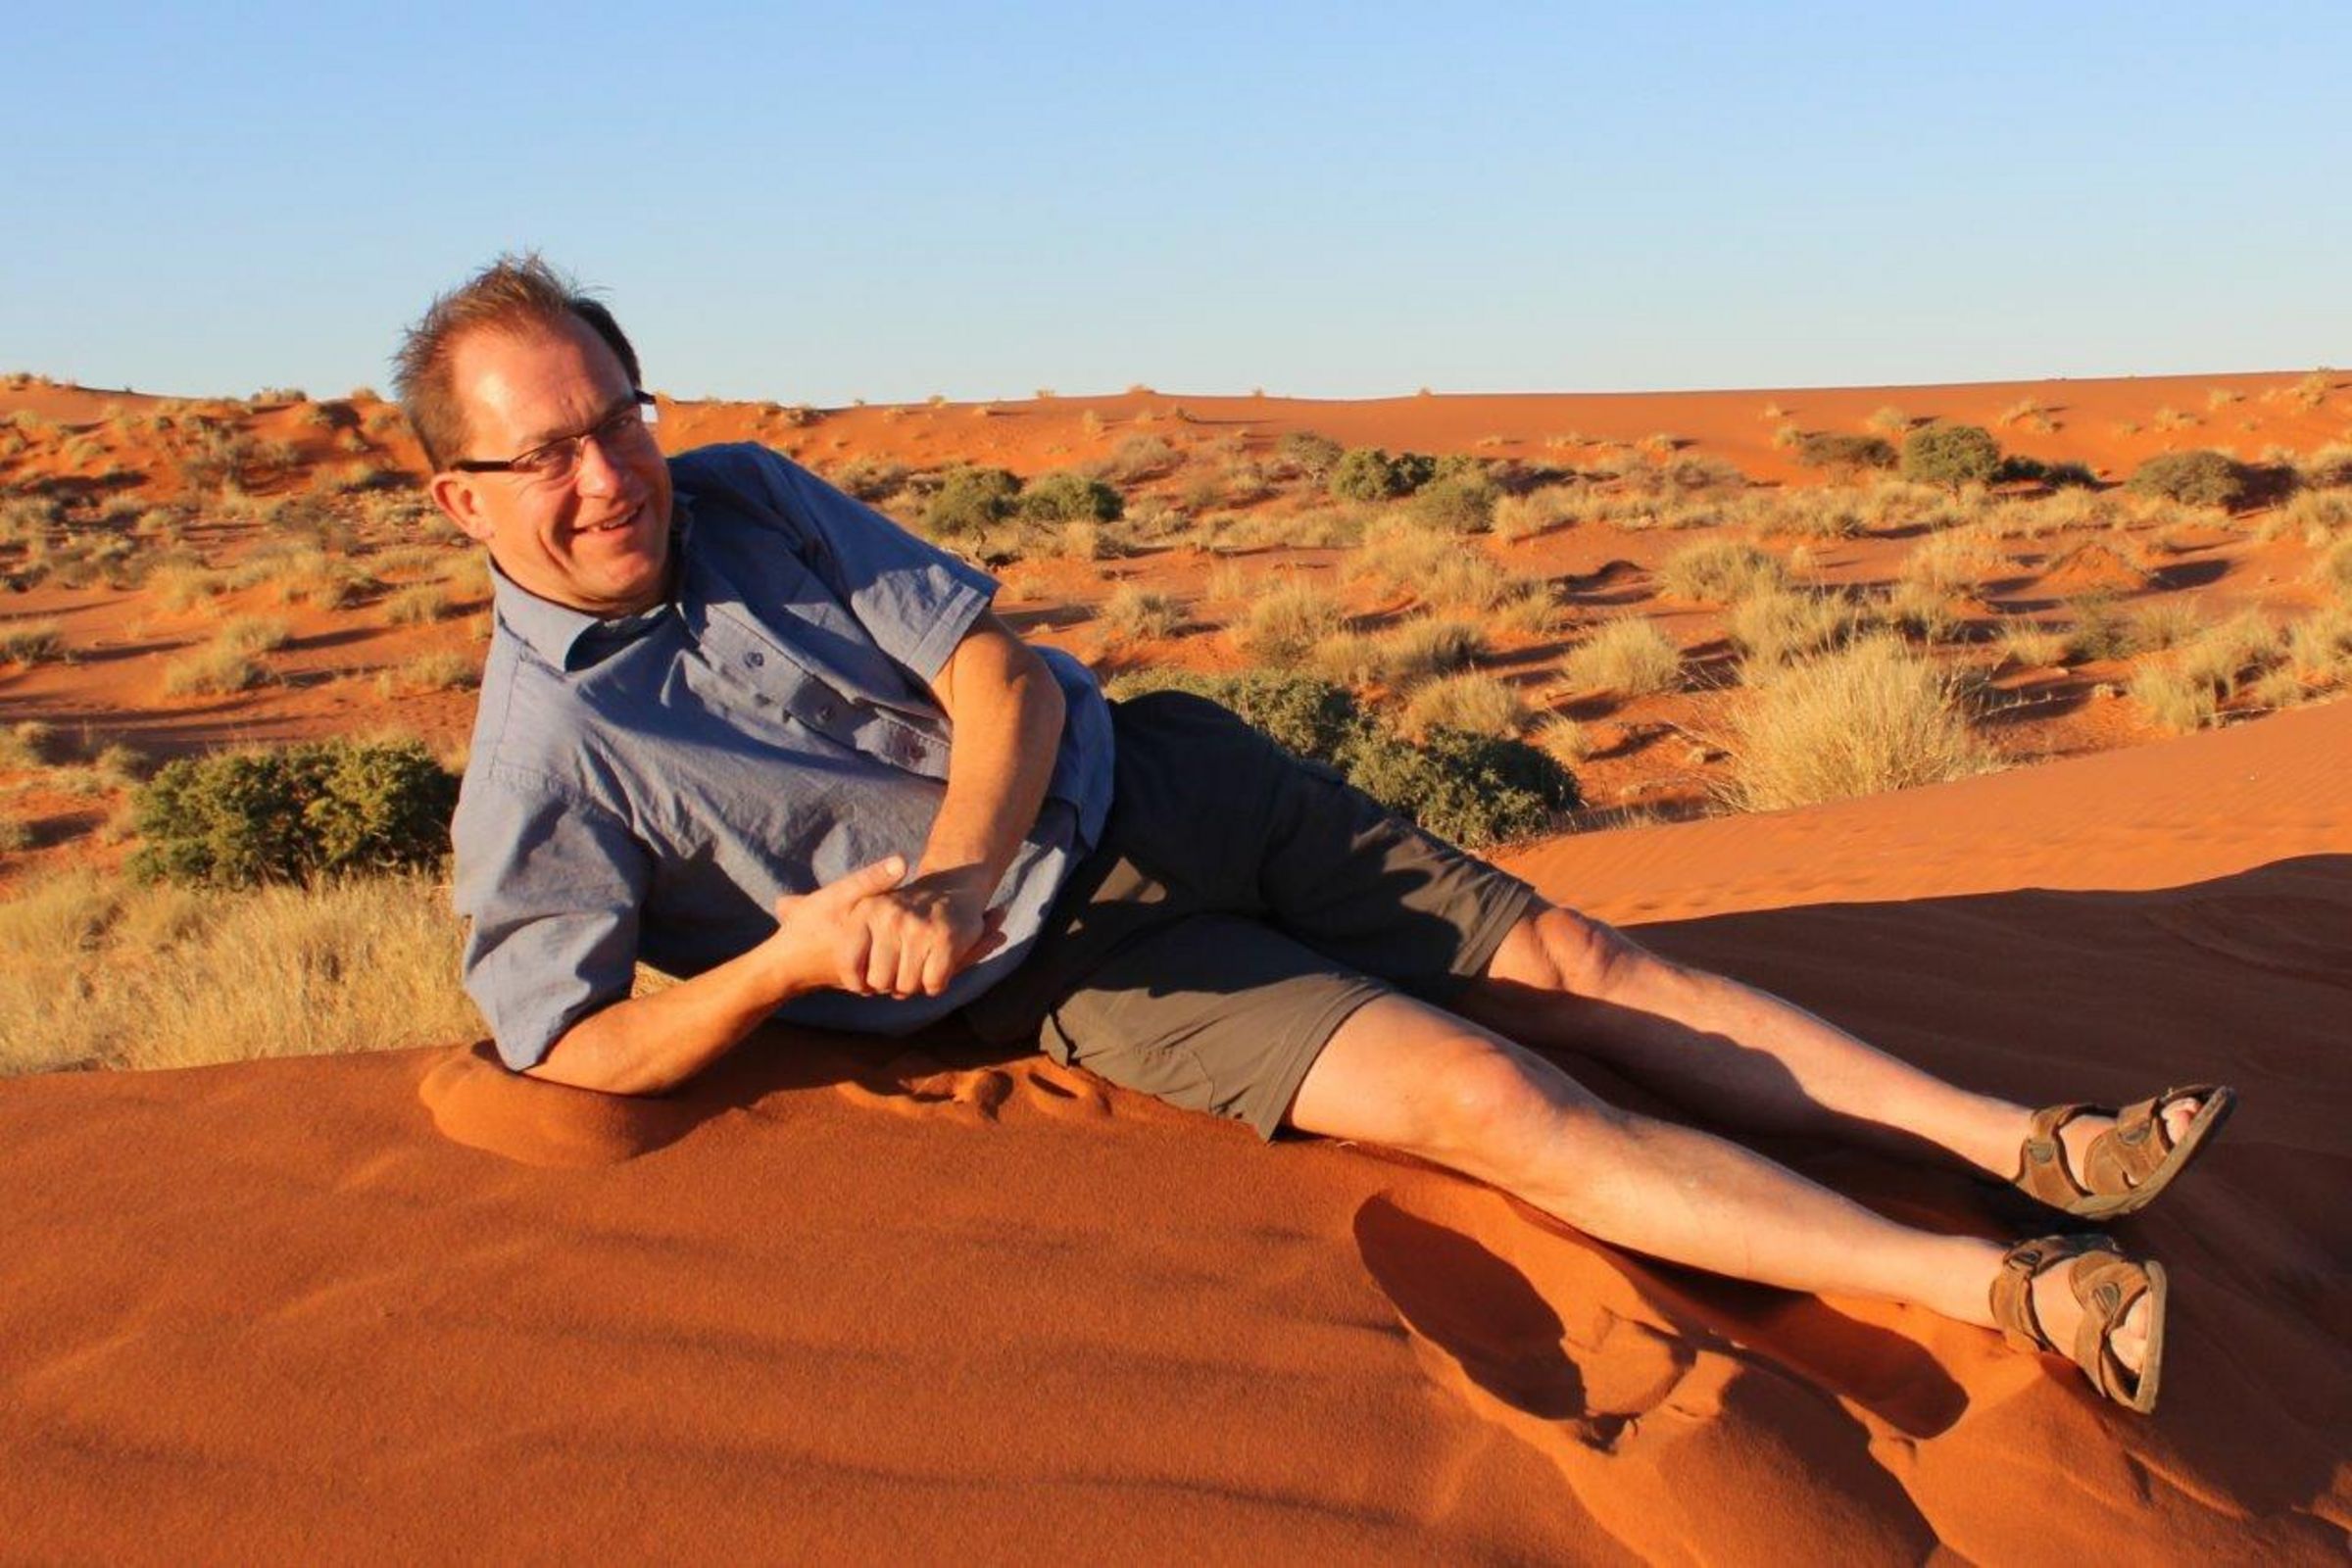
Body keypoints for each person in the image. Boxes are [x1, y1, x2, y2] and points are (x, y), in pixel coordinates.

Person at [399, 255, 2234, 1414]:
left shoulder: (748, 494)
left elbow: (999, 675)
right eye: (543, 455)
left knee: (1574, 962)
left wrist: (951, 869)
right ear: (454, 497)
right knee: (1495, 1101)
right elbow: (565, 1046)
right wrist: (786, 964)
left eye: (617, 418)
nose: (606, 476)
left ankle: (2029, 1146)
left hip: (1164, 777)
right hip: (1098, 972)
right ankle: (2011, 1290)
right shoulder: (542, 765)